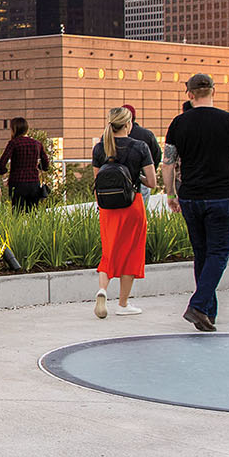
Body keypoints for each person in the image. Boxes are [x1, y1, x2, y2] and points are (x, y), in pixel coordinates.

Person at [163, 73, 229, 333]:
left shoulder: (179, 123)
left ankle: (207, 313)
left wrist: (171, 194)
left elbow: (168, 163)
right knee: (219, 253)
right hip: (221, 195)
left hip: (190, 196)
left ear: (189, 94)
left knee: (202, 253)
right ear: (213, 91)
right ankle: (199, 305)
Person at [92, 105, 157, 318]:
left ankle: (102, 290)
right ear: (128, 124)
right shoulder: (139, 146)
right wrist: (135, 177)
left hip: (108, 209)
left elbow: (96, 182)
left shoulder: (100, 148)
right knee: (131, 252)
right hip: (132, 205)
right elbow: (153, 182)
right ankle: (123, 304)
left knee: (109, 250)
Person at [0, 117, 50, 211]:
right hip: (34, 183)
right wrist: (41, 167)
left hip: (17, 183)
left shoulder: (13, 143)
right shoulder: (37, 144)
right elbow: (46, 162)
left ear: (14, 129)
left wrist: (3, 171)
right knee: (33, 213)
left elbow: (3, 161)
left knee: (17, 212)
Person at [124, 106, 161, 194]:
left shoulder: (108, 138)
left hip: (115, 181)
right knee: (141, 206)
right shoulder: (146, 135)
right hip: (142, 179)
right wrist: (149, 172)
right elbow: (157, 155)